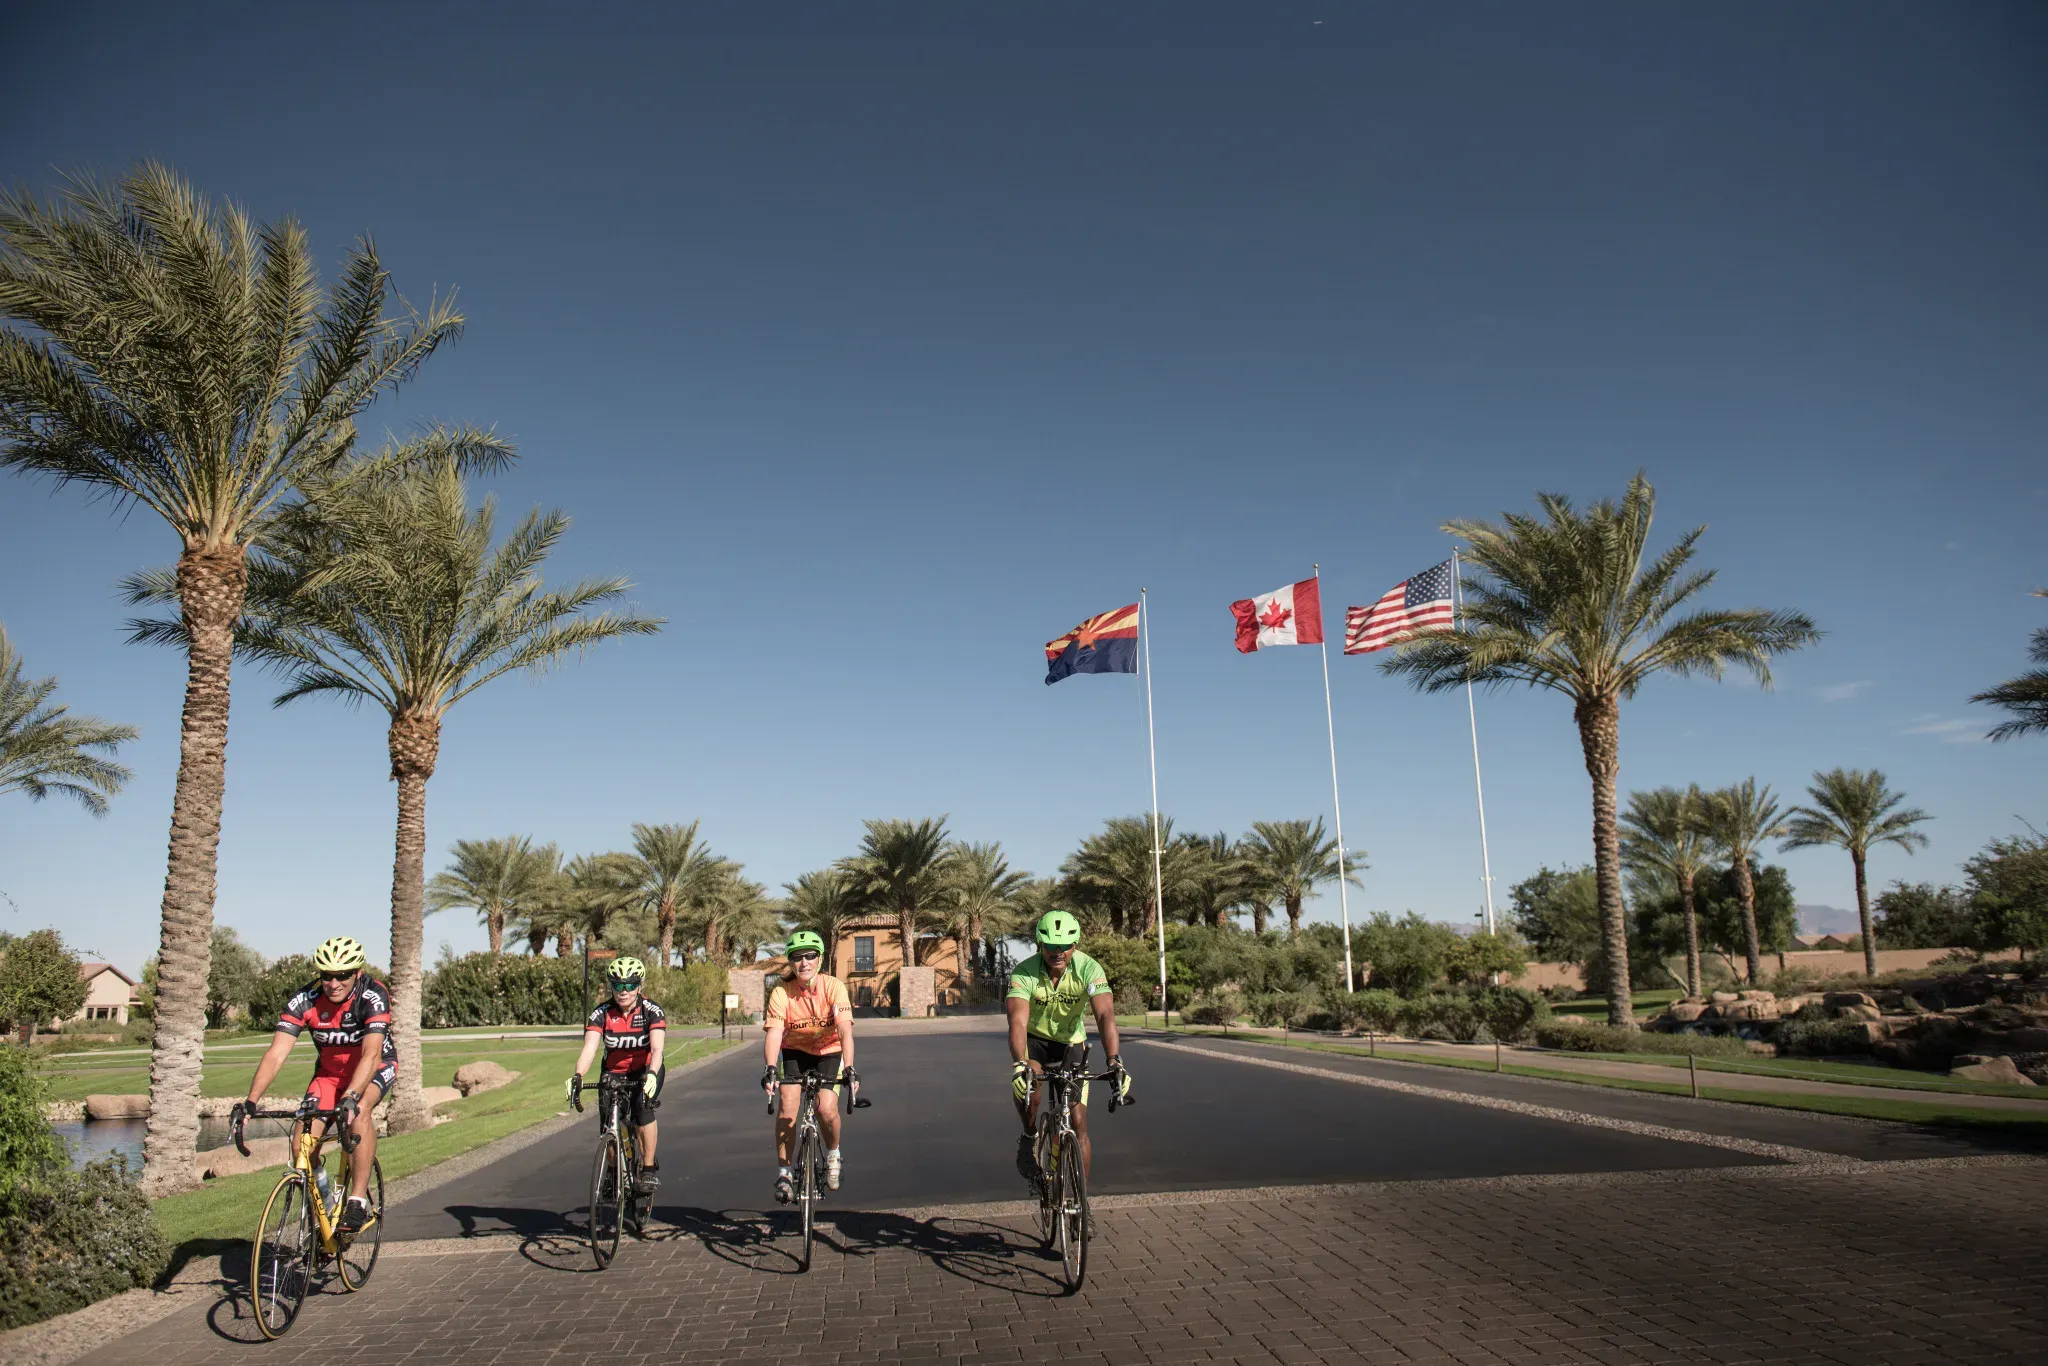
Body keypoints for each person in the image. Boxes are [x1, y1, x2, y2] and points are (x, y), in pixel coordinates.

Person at [238, 935, 395, 1234]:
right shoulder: (304, 1000)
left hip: (375, 1066)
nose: (333, 983)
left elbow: (372, 1053)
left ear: (357, 974)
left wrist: (351, 1096)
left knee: (359, 1111)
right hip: (329, 1074)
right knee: (301, 1145)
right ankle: (325, 1210)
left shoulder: (373, 995)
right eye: (326, 976)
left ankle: (357, 1200)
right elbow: (277, 1053)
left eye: (342, 976)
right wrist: (250, 1101)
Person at [1006, 910, 1131, 1194]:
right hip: (1034, 1041)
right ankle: (1029, 1136)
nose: (1058, 952)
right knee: (1031, 1088)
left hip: (1071, 1045)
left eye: (1065, 946)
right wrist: (1019, 1064)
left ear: (1075, 944)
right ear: (1040, 944)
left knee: (1077, 1122)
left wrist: (1114, 1061)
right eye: (1050, 946)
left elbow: (1105, 1015)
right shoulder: (1023, 972)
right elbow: (1018, 1021)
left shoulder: (1090, 969)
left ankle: (1081, 1204)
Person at [760, 930, 858, 1203]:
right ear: (790, 963)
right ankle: (784, 1173)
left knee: (826, 1108)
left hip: (829, 1052)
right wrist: (770, 1068)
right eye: (797, 957)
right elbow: (775, 1033)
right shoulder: (782, 992)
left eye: (810, 956)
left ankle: (834, 1153)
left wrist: (849, 1068)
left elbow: (845, 1031)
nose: (804, 962)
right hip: (795, 1052)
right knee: (788, 1105)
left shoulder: (834, 987)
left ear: (820, 958)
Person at [567, 957, 667, 1193]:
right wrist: (578, 1076)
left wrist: (652, 1073)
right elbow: (589, 1049)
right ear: (611, 986)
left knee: (643, 1109)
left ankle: (648, 1169)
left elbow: (657, 1049)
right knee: (609, 1125)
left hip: (646, 1070)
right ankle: (613, 1172)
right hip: (613, 1072)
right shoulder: (601, 1013)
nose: (623, 991)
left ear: (639, 986)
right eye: (618, 985)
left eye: (629, 985)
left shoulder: (651, 1010)